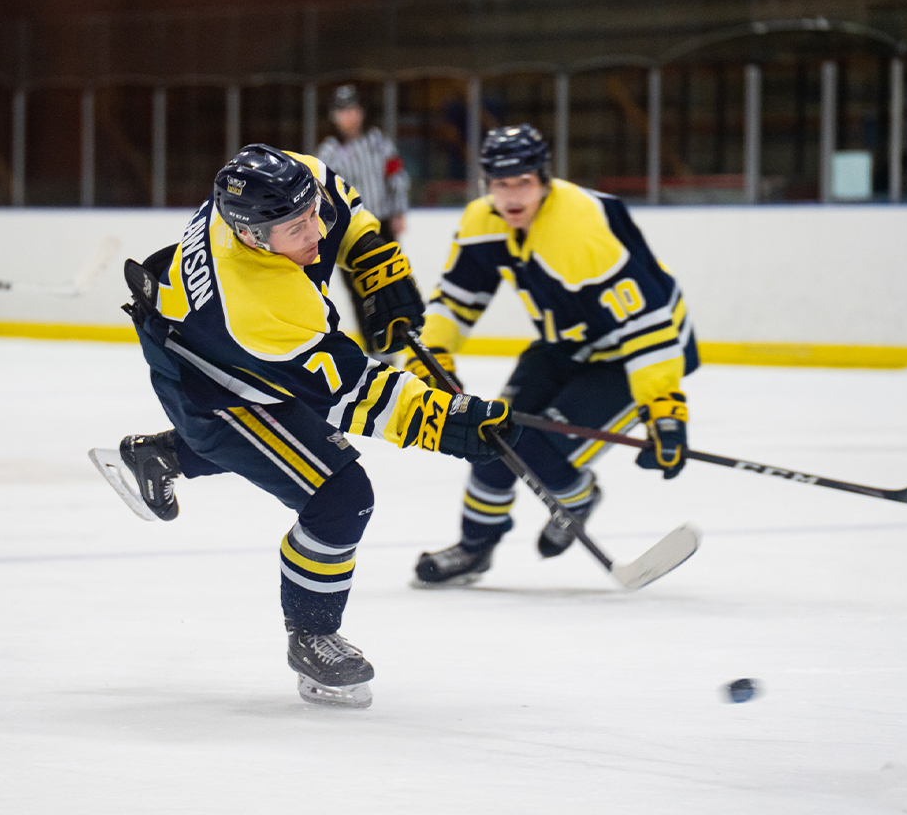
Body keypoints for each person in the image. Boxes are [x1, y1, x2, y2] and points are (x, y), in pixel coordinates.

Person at [93, 144, 517, 708]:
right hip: (210, 382)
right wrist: (447, 422)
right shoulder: (258, 305)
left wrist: (374, 259)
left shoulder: (272, 186)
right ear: (251, 235)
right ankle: (312, 636)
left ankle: (161, 457)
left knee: (289, 435)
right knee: (339, 495)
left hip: (202, 328)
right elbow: (353, 392)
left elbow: (333, 191)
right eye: (297, 228)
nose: (316, 231)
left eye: (310, 212)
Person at [405, 124, 699, 587]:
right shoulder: (484, 222)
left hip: (635, 352)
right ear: (486, 185)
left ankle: (574, 498)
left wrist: (662, 406)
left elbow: (645, 323)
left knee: (538, 451)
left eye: (523, 181)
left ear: (543, 179)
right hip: (565, 342)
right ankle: (474, 549)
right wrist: (433, 352)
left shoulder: (579, 229)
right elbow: (456, 299)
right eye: (501, 185)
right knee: (491, 434)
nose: (512, 196)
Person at [316, 85, 410, 355]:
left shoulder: (378, 141)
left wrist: (398, 210)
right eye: (342, 111)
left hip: (380, 223)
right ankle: (374, 346)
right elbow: (324, 192)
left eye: (353, 109)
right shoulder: (328, 151)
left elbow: (395, 175)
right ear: (334, 116)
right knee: (359, 291)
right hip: (347, 233)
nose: (349, 117)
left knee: (389, 284)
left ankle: (395, 340)